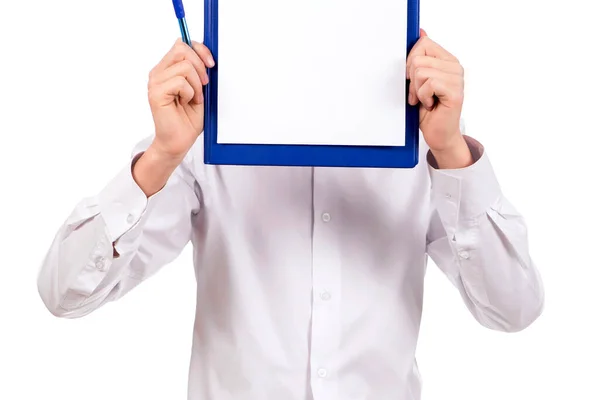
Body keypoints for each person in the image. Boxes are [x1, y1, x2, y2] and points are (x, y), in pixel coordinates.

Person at [38, 30, 544, 400]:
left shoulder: (421, 142)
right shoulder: (202, 141)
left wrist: (452, 151)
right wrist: (161, 157)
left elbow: (512, 308)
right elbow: (65, 293)